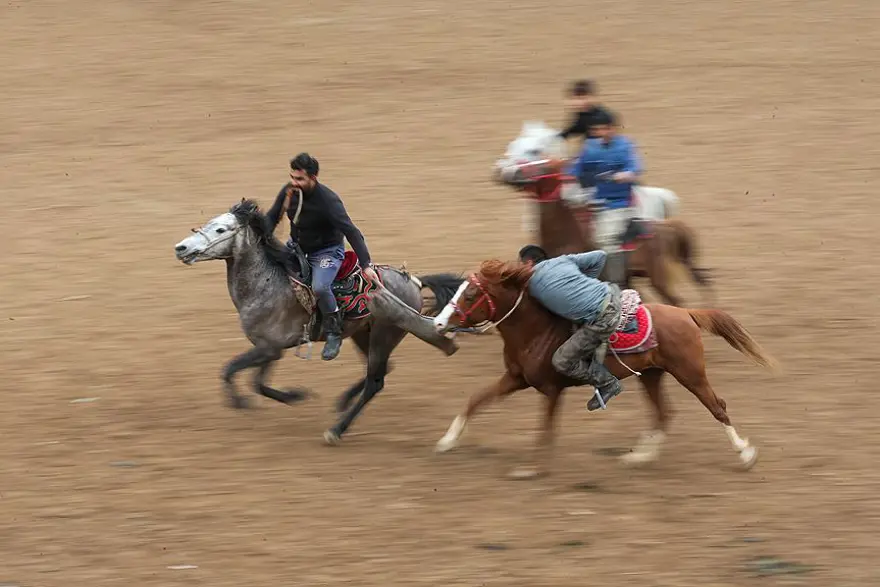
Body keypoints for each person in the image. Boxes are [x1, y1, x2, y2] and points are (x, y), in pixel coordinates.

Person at [266, 153, 379, 361]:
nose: (294, 183)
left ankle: (334, 331)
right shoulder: (289, 192)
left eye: (300, 179)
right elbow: (272, 217)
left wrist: (366, 264)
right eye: (292, 177)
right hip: (296, 247)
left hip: (326, 252)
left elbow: (351, 231)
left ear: (313, 178)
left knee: (319, 287)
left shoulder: (328, 201)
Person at [518, 244, 623, 411]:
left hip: (604, 316)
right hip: (613, 292)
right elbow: (601, 256)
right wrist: (586, 282)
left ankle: (608, 384)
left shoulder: (530, 281)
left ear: (529, 263)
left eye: (520, 265)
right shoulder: (563, 260)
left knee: (561, 361)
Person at [569, 109, 642, 286]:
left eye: (602, 129)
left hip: (618, 204)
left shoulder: (625, 146)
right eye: (595, 130)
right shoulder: (590, 147)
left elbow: (635, 169)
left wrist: (624, 175)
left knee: (605, 239)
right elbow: (575, 169)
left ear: (612, 129)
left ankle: (617, 282)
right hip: (594, 200)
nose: (598, 134)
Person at [558, 80, 613, 144]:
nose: (578, 102)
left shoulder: (601, 118)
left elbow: (603, 146)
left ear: (592, 98)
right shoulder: (583, 115)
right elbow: (576, 129)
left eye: (582, 98)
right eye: (575, 98)